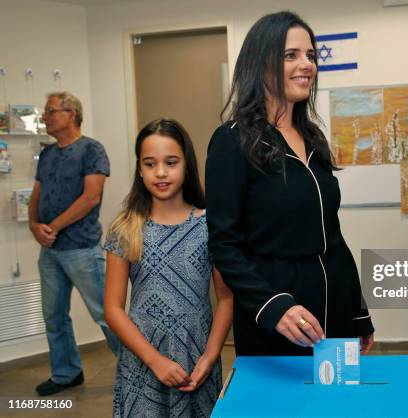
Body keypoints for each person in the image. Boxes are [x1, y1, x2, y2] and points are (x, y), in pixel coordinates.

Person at [205, 11, 374, 356]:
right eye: (291, 55)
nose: (307, 64)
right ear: (260, 63)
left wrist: (359, 313)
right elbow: (224, 244)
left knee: (336, 409)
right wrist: (273, 306)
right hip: (279, 317)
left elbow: (334, 238)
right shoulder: (231, 141)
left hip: (335, 308)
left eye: (310, 55)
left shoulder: (312, 137)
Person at [104, 118, 233, 417]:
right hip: (143, 360)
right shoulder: (125, 228)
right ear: (140, 169)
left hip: (197, 359)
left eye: (171, 162)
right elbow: (113, 309)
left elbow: (226, 298)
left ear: (186, 164)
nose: (160, 172)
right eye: (150, 164)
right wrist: (154, 361)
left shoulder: (210, 225)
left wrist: (211, 356)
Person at [30, 91, 120, 396]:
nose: (46, 116)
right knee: (53, 315)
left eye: (51, 111)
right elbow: (37, 194)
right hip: (50, 251)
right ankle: (66, 373)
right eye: (46, 111)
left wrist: (52, 227)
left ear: (71, 114)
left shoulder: (92, 150)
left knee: (106, 314)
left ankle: (134, 370)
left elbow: (91, 197)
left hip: (81, 248)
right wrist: (34, 226)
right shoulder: (47, 154)